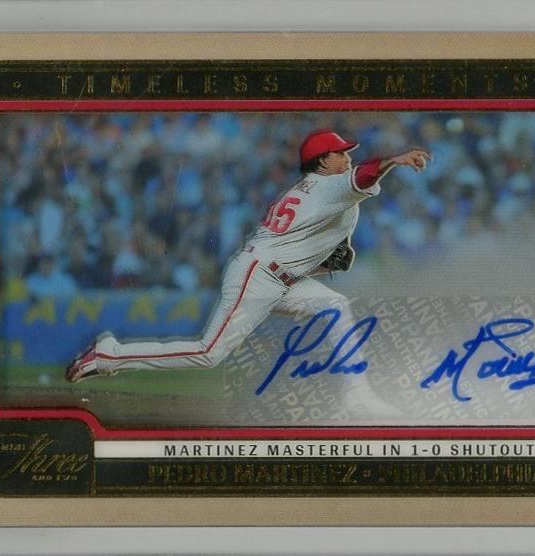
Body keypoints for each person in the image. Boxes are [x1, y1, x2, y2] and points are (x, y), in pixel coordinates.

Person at [66, 130, 431, 415]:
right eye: (341, 153)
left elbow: (299, 247)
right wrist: (395, 160)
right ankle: (110, 355)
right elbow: (365, 174)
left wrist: (323, 264)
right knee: (208, 353)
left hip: (275, 275)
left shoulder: (318, 192)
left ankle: (357, 395)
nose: (347, 157)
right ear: (322, 161)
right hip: (259, 276)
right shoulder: (330, 185)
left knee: (335, 307)